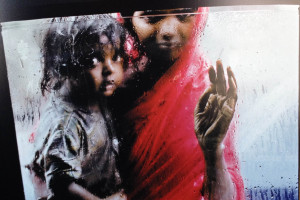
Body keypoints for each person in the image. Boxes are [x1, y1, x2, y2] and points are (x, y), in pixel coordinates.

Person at [117, 8, 244, 199]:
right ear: (127, 21)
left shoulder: (209, 92)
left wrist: (213, 152)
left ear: (200, 16)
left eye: (184, 15)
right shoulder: (106, 77)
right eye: (152, 17)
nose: (169, 30)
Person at [27, 16, 128, 200]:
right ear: (64, 66)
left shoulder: (92, 93)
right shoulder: (67, 123)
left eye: (115, 56)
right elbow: (60, 184)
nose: (110, 69)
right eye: (93, 60)